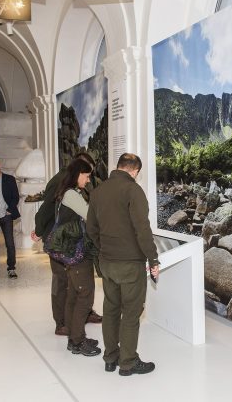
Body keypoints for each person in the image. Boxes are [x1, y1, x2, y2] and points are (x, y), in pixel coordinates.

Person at [86, 153, 160, 376]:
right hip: (130, 264)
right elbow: (142, 230)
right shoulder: (133, 191)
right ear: (135, 171)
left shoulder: (98, 192)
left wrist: (105, 248)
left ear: (118, 167)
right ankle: (127, 363)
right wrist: (153, 258)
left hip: (107, 263)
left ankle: (110, 358)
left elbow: (91, 228)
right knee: (130, 313)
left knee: (110, 310)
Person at [32, 152, 103, 336]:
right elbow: (46, 208)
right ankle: (61, 322)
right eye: (87, 174)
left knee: (75, 281)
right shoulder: (60, 182)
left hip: (71, 238)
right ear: (79, 168)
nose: (89, 179)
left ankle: (81, 314)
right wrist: (39, 231)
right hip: (57, 239)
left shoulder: (72, 183)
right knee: (61, 281)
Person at [51, 158, 102, 356]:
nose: (88, 180)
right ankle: (78, 341)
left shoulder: (67, 193)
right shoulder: (72, 195)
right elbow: (90, 215)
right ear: (78, 174)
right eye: (86, 176)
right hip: (77, 252)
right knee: (85, 295)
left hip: (71, 253)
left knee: (74, 294)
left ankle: (74, 338)